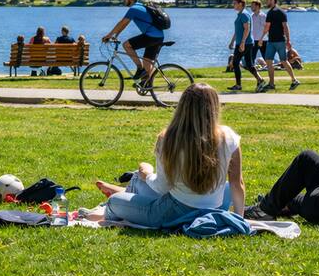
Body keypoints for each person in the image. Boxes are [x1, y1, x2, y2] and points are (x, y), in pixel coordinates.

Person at [95, 83, 245, 227]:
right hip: (214, 208)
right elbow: (237, 184)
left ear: (182, 107)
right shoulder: (229, 136)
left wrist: (147, 174)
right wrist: (239, 220)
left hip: (174, 213)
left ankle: (110, 204)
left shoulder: (169, 138)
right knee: (226, 187)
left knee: (114, 202)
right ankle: (129, 187)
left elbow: (162, 186)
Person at [101, 0, 165, 87]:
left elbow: (122, 22)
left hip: (151, 36)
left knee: (126, 45)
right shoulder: (141, 7)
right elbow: (124, 25)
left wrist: (108, 35)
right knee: (147, 61)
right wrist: (116, 35)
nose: (124, 0)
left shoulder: (134, 9)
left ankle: (139, 68)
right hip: (158, 37)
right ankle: (146, 84)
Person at [259, 0, 298, 92]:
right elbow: (286, 27)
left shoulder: (271, 13)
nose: (266, 2)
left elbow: (267, 27)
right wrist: (288, 40)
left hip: (273, 41)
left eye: (267, 0)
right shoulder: (281, 12)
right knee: (282, 61)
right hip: (280, 40)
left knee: (269, 61)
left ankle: (272, 83)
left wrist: (261, 38)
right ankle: (293, 80)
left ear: (272, 0)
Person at [228, 0, 262, 91]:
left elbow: (247, 29)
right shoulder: (240, 14)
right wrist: (232, 41)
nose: (233, 5)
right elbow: (238, 30)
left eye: (234, 3)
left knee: (235, 63)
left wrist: (242, 42)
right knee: (249, 65)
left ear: (240, 4)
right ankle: (260, 80)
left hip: (245, 43)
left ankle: (238, 85)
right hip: (244, 42)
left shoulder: (244, 14)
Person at [247, 0, 266, 75]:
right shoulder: (251, 16)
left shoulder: (263, 16)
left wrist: (262, 38)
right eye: (251, 6)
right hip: (254, 40)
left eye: (253, 6)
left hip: (263, 40)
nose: (251, 7)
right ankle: (254, 70)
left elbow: (266, 28)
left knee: (266, 56)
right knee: (252, 56)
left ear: (258, 6)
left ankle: (268, 68)